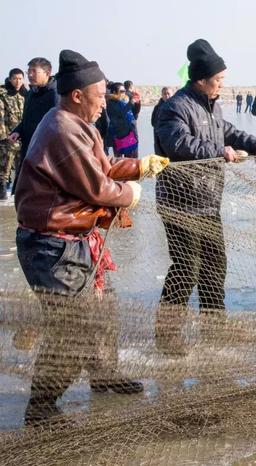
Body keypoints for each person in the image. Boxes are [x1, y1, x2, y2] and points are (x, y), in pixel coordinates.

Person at [14, 49, 168, 424]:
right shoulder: (61, 128)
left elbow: (106, 166)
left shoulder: (77, 124)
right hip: (52, 246)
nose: (105, 103)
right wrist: (129, 193)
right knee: (73, 329)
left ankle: (103, 376)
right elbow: (98, 188)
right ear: (78, 95)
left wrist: (139, 166)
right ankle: (41, 407)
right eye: (100, 96)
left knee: (103, 314)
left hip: (78, 240)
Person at [154, 39, 256, 313]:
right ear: (201, 80)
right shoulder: (175, 107)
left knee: (215, 264)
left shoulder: (212, 106)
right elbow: (178, 144)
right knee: (187, 268)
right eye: (218, 79)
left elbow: (229, 131)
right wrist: (220, 151)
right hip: (179, 203)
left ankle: (214, 323)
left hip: (208, 201)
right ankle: (167, 327)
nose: (222, 84)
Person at [8, 57, 58, 192]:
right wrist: (18, 131)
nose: (30, 75)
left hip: (46, 153)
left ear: (47, 73)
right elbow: (27, 120)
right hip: (29, 147)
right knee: (25, 190)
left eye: (34, 72)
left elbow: (59, 125)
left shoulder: (55, 95)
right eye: (28, 71)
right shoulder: (31, 94)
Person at [0, 68, 27, 199]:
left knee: (21, 169)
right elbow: (1, 116)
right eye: (15, 78)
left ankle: (18, 197)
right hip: (7, 138)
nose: (18, 81)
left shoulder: (26, 94)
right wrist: (3, 136)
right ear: (10, 79)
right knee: (4, 170)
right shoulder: (3, 94)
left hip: (22, 138)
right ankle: (3, 197)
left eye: (20, 79)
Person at [106, 82, 138, 157]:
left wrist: (137, 103)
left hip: (127, 133)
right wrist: (131, 103)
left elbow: (134, 113)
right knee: (119, 160)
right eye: (122, 91)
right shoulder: (111, 103)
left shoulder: (122, 101)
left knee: (130, 158)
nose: (124, 93)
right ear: (114, 92)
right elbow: (121, 113)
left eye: (124, 91)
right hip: (118, 135)